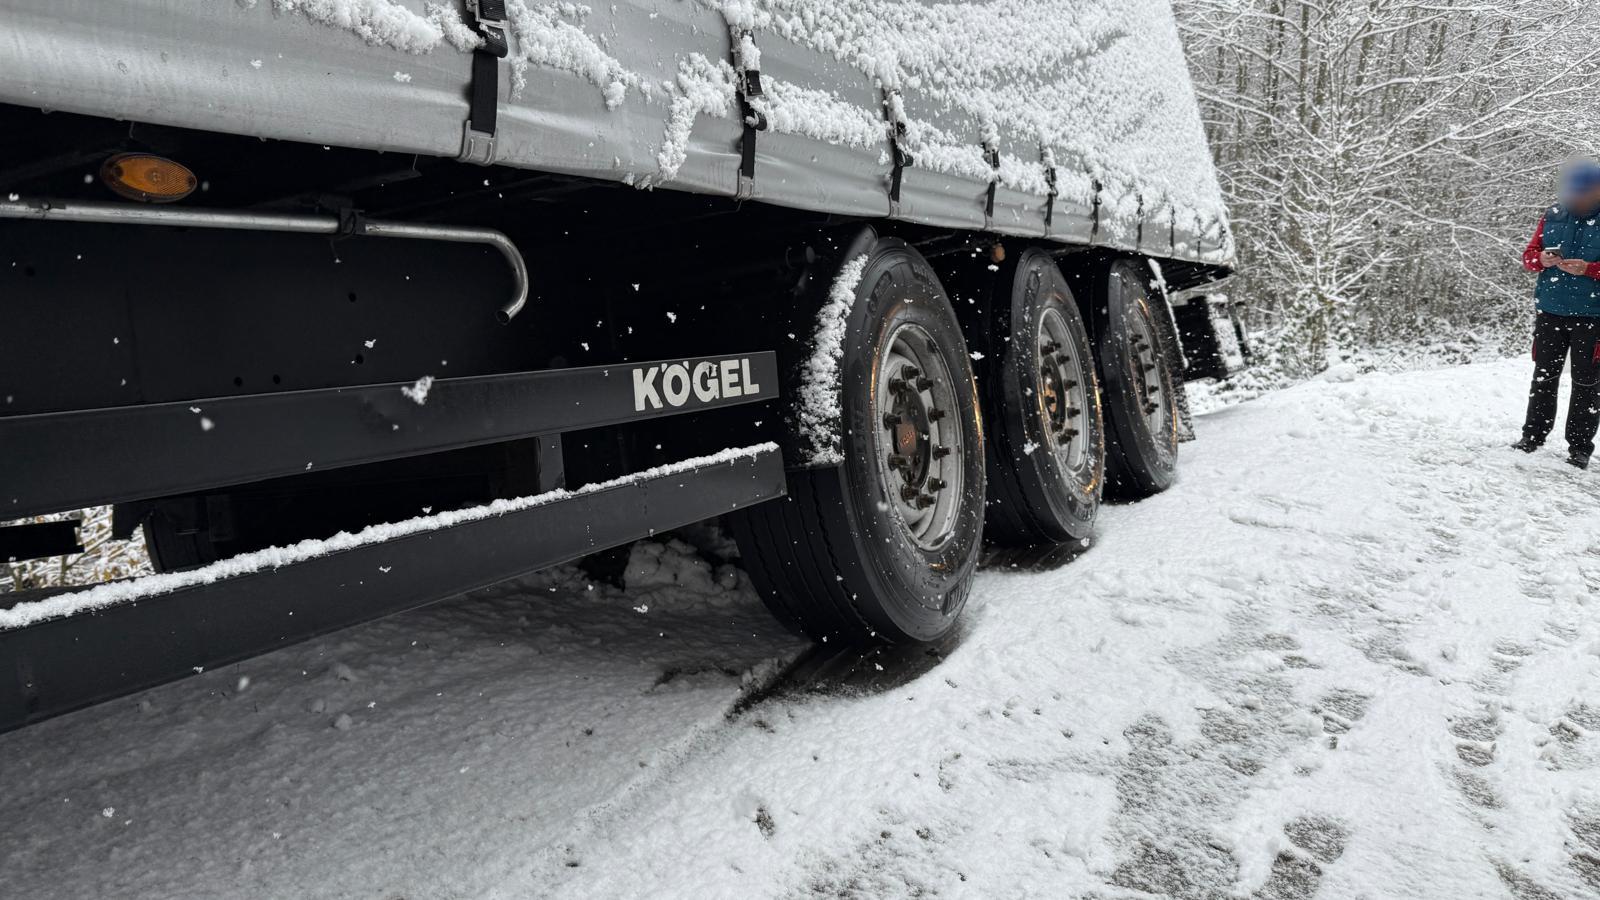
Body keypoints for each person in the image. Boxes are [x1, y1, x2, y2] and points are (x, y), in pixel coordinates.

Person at [1513, 158, 1600, 468]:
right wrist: (1541, 259)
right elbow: (1528, 258)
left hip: (1592, 317)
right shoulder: (1551, 216)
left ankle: (1579, 447)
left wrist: (1590, 269)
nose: (1576, 199)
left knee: (1587, 384)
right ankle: (1532, 435)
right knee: (1543, 377)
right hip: (1550, 312)